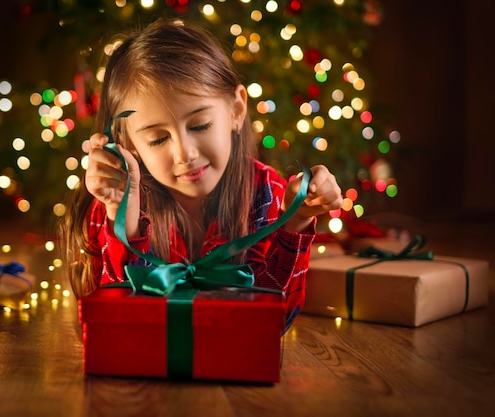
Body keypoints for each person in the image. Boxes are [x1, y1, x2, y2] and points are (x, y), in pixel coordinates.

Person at [60, 18, 343, 330]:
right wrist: (121, 213)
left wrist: (297, 219)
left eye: (199, 125)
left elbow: (273, 320)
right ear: (129, 144)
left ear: (236, 109)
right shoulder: (111, 204)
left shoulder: (268, 194)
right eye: (157, 139)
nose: (185, 153)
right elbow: (115, 321)